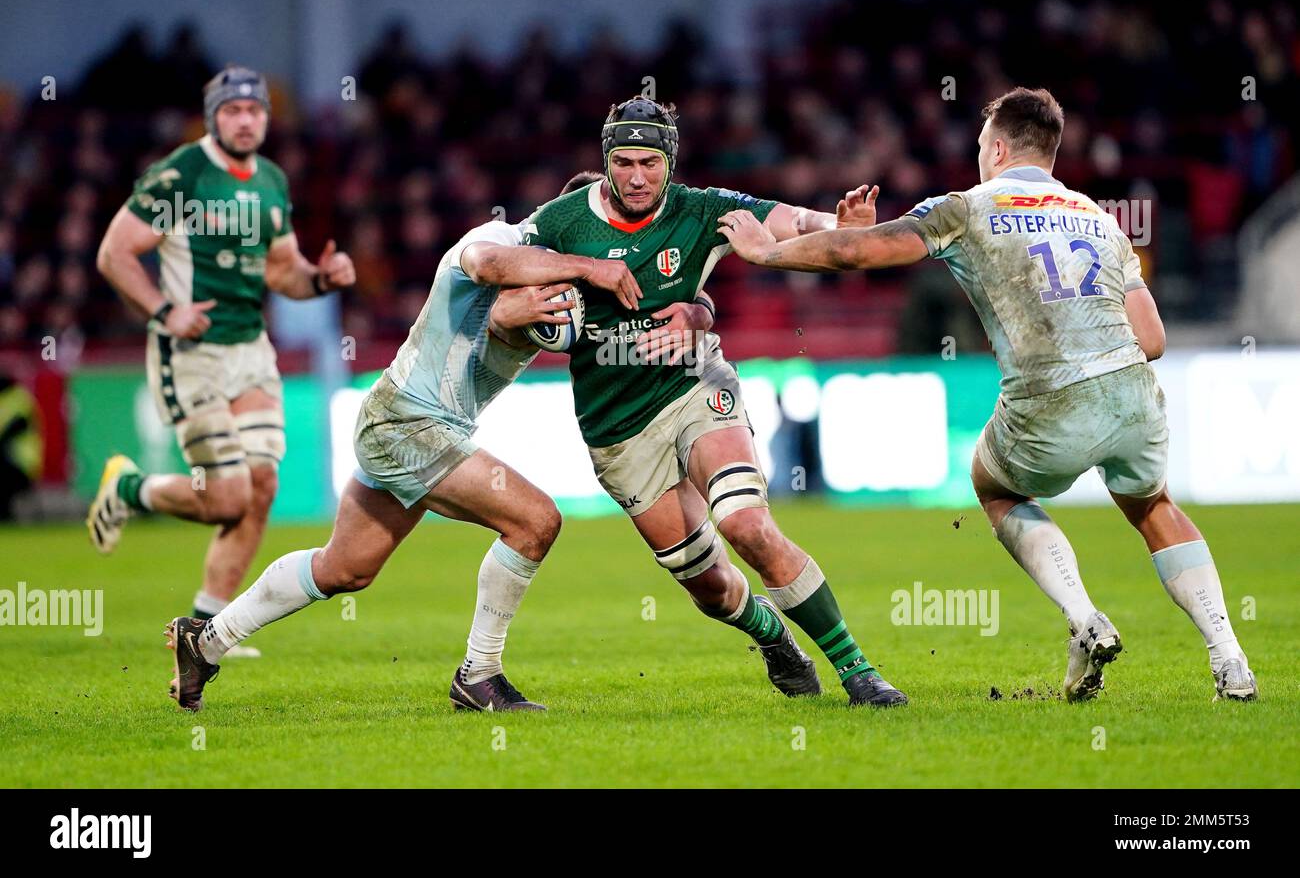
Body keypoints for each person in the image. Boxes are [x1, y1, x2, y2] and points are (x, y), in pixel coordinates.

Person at [718, 86, 1257, 702]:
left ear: (997, 147)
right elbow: (1153, 338)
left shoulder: (968, 208)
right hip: (1132, 394)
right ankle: (1231, 661)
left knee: (994, 484)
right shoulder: (1099, 218)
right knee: (1154, 506)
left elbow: (854, 252)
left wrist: (768, 252)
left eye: (981, 146)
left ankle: (1083, 617)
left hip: (1049, 398)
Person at [166, 172, 715, 713]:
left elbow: (665, 297)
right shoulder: (506, 240)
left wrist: (700, 310)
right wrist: (586, 268)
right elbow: (484, 267)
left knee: (345, 569)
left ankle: (206, 641)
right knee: (534, 521)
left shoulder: (567, 289)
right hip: (406, 421)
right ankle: (479, 675)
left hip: (409, 423)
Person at [523, 97, 908, 707]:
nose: (638, 176)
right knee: (712, 588)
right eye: (624, 162)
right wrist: (534, 297)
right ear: (606, 160)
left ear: (670, 160)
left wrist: (847, 230)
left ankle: (858, 671)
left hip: (697, 389)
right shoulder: (562, 221)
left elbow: (798, 224)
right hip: (618, 430)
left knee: (747, 524)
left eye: (650, 162)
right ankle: (773, 637)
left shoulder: (702, 209)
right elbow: (491, 267)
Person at [90, 66, 355, 658]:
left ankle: (206, 627)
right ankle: (128, 487)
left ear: (265, 117)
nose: (244, 120)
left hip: (250, 349)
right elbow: (115, 253)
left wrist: (320, 278)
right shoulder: (183, 173)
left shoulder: (269, 181)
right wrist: (164, 310)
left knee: (260, 486)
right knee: (228, 497)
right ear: (213, 116)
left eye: (254, 111)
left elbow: (282, 270)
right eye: (232, 110)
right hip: (193, 353)